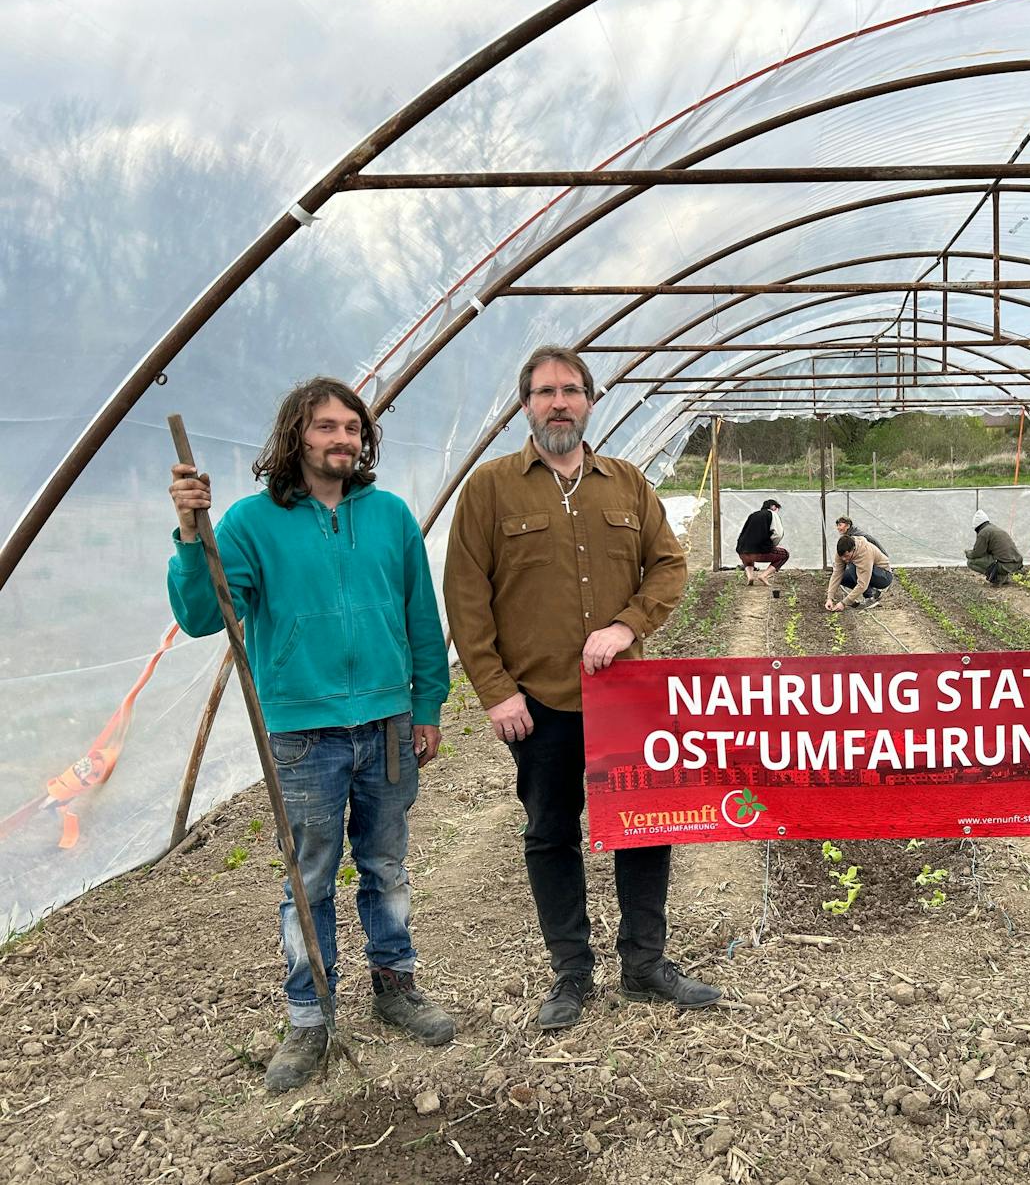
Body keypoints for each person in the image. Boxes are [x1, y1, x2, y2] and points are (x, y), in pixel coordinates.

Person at [166, 378, 454, 1092]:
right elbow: (208, 616)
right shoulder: (248, 524)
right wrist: (190, 537)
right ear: (296, 436)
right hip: (303, 731)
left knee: (386, 866)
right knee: (309, 878)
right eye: (327, 427)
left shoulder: (388, 517)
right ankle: (309, 1017)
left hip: (387, 722)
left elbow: (421, 615)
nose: (343, 439)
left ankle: (395, 986)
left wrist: (427, 704)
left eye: (353, 429)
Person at [443, 344, 719, 1031]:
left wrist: (627, 626)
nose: (558, 402)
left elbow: (668, 567)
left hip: (625, 698)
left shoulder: (625, 483)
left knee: (646, 830)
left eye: (570, 390)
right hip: (538, 702)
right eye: (544, 392)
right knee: (550, 834)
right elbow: (466, 595)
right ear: (525, 405)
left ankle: (645, 964)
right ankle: (571, 972)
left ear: (591, 401)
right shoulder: (491, 488)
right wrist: (494, 689)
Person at [825, 533, 893, 611]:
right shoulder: (841, 552)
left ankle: (870, 597)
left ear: (853, 549)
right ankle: (873, 592)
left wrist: (844, 603)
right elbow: (837, 573)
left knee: (853, 567)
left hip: (884, 576)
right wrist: (829, 598)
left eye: (846, 556)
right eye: (842, 557)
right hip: (869, 574)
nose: (844, 559)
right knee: (842, 577)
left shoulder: (865, 553)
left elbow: (862, 584)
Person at [735, 498, 788, 585]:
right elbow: (778, 534)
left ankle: (750, 576)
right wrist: (771, 546)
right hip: (760, 552)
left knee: (748, 552)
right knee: (785, 554)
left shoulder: (752, 515)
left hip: (742, 552)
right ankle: (763, 575)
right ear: (773, 507)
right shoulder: (772, 514)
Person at [965, 509, 1023, 586]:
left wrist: (968, 553)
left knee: (971, 562)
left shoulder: (983, 533)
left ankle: (997, 578)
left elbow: (977, 553)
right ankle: (1003, 577)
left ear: (977, 527)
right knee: (990, 558)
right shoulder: (994, 529)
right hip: (1016, 563)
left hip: (1005, 565)